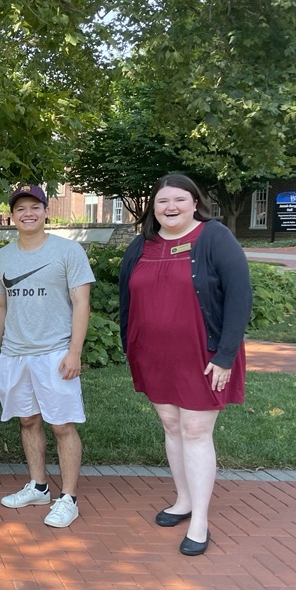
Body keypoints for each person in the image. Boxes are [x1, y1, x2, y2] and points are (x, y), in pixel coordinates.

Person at [119, 173, 251, 556]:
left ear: (195, 203)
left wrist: (225, 355)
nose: (170, 207)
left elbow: (240, 297)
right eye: (162, 202)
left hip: (204, 356)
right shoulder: (141, 245)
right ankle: (183, 499)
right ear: (153, 208)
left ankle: (200, 520)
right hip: (155, 357)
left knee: (195, 430)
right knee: (172, 424)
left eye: (179, 199)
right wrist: (133, 346)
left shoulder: (214, 238)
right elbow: (127, 300)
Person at [0, 185, 94, 528]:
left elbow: (81, 303)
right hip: (15, 355)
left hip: (55, 353)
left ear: (46, 211)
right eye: (20, 209)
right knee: (27, 420)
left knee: (62, 425)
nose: (28, 213)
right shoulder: (2, 257)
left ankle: (68, 497)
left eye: (34, 207)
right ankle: (39, 486)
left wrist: (75, 352)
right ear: (11, 216)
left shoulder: (68, 251)